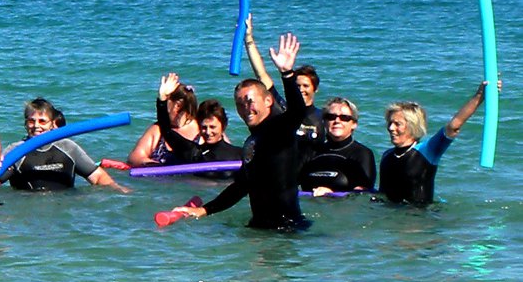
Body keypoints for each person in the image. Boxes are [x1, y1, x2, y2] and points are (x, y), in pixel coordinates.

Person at [168, 33, 311, 231]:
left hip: (287, 229)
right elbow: (241, 186)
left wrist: (287, 74)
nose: (245, 107)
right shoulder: (252, 141)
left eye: (250, 101)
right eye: (239, 103)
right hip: (260, 226)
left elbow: (298, 112)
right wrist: (204, 210)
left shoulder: (280, 129)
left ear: (268, 101)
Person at [379, 82, 493, 207]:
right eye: (389, 123)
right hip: (390, 218)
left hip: (419, 218)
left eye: (397, 124)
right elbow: (382, 195)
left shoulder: (427, 151)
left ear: (412, 125)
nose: (390, 128)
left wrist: (480, 95)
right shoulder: (387, 155)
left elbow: (454, 126)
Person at [2, 98, 126, 192]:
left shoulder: (68, 148)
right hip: (28, 213)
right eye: (31, 121)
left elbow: (98, 177)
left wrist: (119, 191)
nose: (36, 126)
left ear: (52, 124)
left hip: (64, 211)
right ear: (25, 124)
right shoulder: (15, 151)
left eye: (42, 121)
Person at [300, 96, 377, 194]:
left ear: (354, 124)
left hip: (342, 207)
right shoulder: (311, 151)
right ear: (324, 122)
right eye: (331, 117)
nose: (337, 121)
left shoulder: (362, 154)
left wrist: (331, 193)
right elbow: (289, 183)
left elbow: (364, 193)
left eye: (344, 118)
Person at [130, 76, 200, 166]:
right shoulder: (157, 130)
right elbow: (135, 158)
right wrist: (154, 165)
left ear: (177, 105)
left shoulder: (204, 129)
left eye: (166, 102)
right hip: (162, 178)